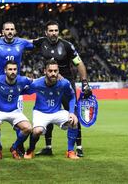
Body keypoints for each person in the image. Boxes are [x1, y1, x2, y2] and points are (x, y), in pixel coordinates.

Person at [31, 20, 92, 157]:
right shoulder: (42, 42)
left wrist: (85, 83)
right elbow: (26, 42)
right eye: (51, 31)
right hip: (48, 82)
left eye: (56, 30)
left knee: (73, 115)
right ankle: (48, 147)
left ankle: (79, 147)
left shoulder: (67, 46)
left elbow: (79, 63)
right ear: (46, 32)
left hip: (65, 84)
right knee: (48, 112)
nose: (53, 33)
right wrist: (6, 37)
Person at [0, 21, 33, 156]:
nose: (10, 31)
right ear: (3, 31)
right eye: (7, 29)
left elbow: (35, 43)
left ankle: (18, 147)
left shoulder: (21, 42)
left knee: (19, 120)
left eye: (12, 29)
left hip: (16, 83)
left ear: (15, 31)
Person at [23, 59, 79, 159]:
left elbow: (71, 96)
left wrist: (71, 112)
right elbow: (24, 91)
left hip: (57, 112)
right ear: (45, 71)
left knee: (74, 121)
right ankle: (30, 150)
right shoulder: (37, 83)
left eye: (55, 71)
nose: (53, 73)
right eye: (50, 71)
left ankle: (70, 151)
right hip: (41, 112)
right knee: (37, 131)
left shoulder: (64, 83)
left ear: (58, 71)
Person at [0, 60, 33, 160]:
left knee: (28, 128)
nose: (12, 71)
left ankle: (14, 147)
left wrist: (56, 77)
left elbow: (37, 81)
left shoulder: (23, 80)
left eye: (14, 69)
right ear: (5, 70)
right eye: (10, 69)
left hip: (14, 110)